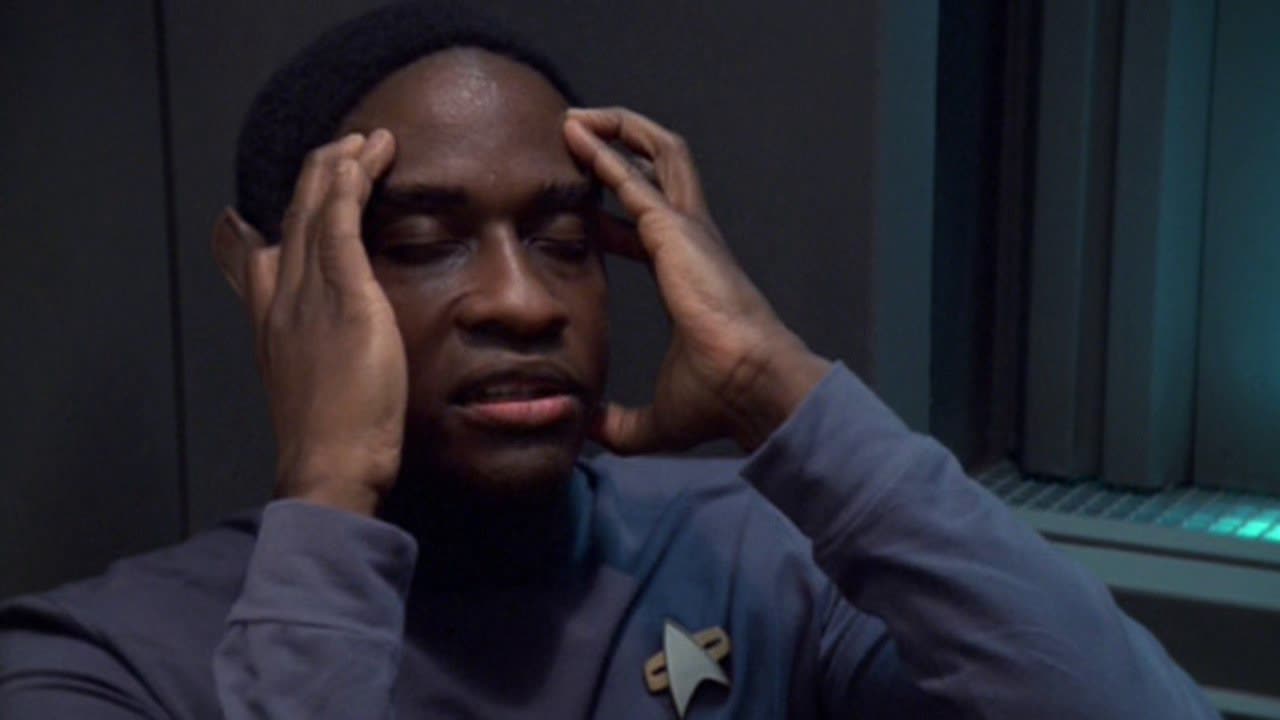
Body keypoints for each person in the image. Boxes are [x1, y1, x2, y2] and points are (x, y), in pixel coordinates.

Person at [0, 3, 1219, 718]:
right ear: (269, 281)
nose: (522, 300)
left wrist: (776, 389)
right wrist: (327, 494)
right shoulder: (101, 661)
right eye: (419, 243)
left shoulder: (762, 557)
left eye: (567, 242)